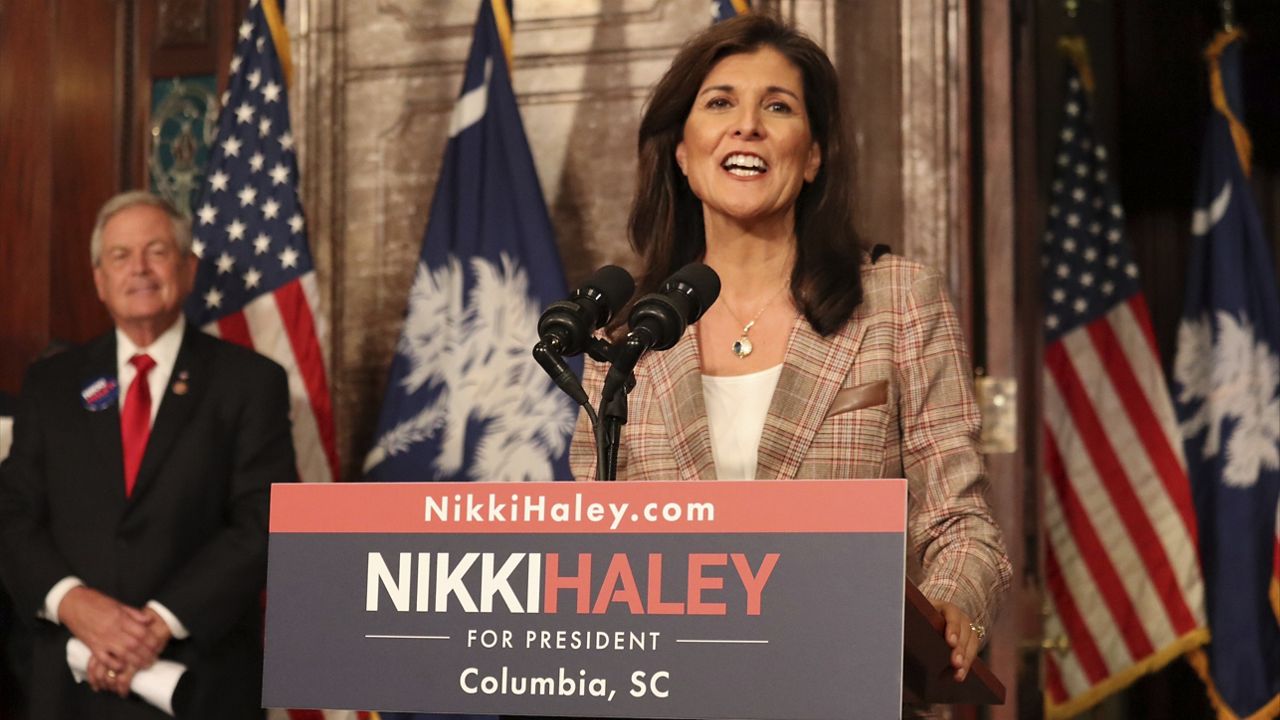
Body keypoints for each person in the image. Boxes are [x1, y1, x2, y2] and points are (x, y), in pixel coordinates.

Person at [568, 12, 1011, 712]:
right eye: (720, 104)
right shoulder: (630, 340)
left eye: (778, 107)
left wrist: (954, 606)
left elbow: (959, 523)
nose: (747, 125)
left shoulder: (896, 301)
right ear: (682, 152)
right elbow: (596, 561)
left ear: (812, 157)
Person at [0, 191, 295, 719]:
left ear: (188, 268)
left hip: (200, 680)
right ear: (99, 279)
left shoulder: (251, 383)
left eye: (156, 251)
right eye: (120, 255)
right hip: (69, 684)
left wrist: (158, 622)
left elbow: (265, 519)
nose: (138, 268)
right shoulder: (50, 385)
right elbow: (11, 511)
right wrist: (73, 603)